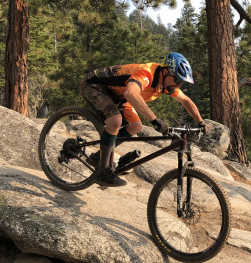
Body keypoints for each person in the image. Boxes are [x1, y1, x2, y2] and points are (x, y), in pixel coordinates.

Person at [81, 52, 207, 186]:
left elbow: (186, 101)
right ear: (165, 72)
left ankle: (99, 156)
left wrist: (200, 121)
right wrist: (154, 119)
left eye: (180, 82)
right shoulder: (147, 73)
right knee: (115, 120)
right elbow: (130, 93)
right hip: (95, 85)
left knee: (136, 126)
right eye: (177, 80)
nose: (178, 85)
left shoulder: (167, 85)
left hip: (118, 95)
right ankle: (103, 172)